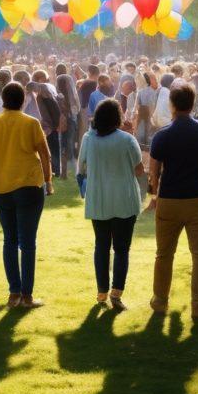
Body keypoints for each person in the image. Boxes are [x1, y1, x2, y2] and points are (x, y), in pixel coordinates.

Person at [0, 82, 54, 309]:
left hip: (1, 186)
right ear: (23, 101)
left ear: (3, 100)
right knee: (28, 242)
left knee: (9, 240)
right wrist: (49, 182)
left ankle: (14, 293)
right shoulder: (31, 123)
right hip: (29, 185)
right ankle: (27, 295)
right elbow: (45, 154)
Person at [148, 83, 198, 319]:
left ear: (172, 105)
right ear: (193, 103)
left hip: (170, 199)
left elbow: (153, 172)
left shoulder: (162, 135)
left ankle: (160, 300)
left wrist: (155, 196)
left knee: (164, 253)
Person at [78, 98, 145, 310]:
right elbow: (139, 170)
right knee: (122, 249)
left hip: (98, 199)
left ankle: (101, 292)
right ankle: (116, 292)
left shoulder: (88, 139)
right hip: (124, 198)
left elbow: (81, 169)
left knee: (101, 246)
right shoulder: (127, 139)